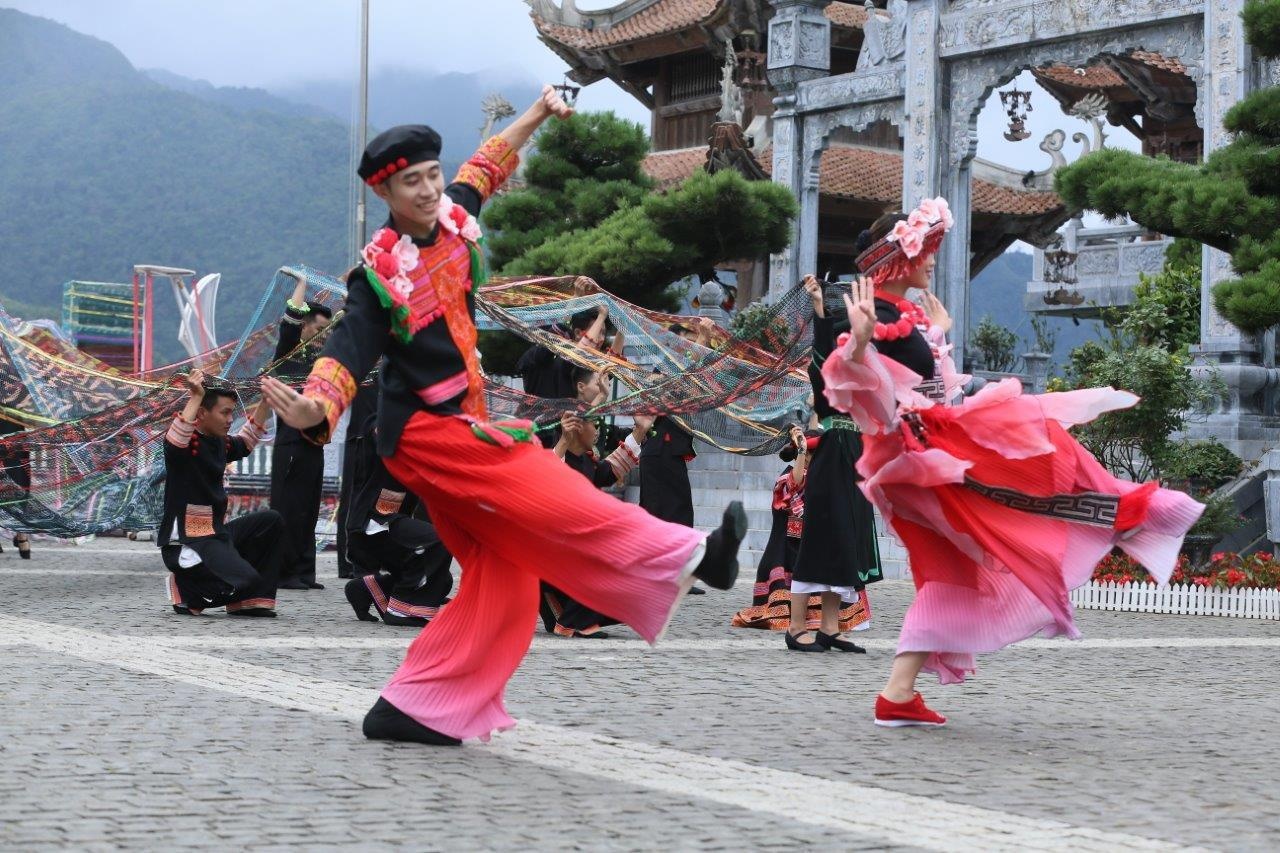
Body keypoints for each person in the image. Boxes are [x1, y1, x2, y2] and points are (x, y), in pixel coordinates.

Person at [262, 85, 747, 746]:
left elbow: (487, 163)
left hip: (466, 415)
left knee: (510, 581)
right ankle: (694, 558)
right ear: (387, 194)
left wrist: (542, 111)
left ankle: (413, 705)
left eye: (432, 175)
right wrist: (316, 405)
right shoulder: (377, 277)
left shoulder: (454, 216)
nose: (430, 190)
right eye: (413, 183)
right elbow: (347, 352)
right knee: (553, 490)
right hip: (427, 433)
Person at [820, 198, 1205, 727]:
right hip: (913, 456)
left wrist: (938, 333)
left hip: (930, 444)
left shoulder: (906, 313)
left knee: (951, 567)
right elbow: (858, 391)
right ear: (901, 259)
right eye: (928, 251)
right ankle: (1129, 512)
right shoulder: (874, 315)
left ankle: (899, 693)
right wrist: (859, 345)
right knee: (1035, 433)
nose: (934, 261)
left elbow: (931, 381)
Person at [783, 275, 882, 654]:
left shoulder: (861, 368)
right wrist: (820, 308)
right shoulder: (826, 370)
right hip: (829, 453)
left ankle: (829, 627)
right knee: (820, 537)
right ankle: (795, 627)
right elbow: (822, 350)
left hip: (854, 453)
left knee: (845, 540)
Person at [161, 370, 286, 617]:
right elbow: (176, 439)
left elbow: (247, 441)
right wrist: (196, 395)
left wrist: (265, 401)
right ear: (202, 413)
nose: (230, 419)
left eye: (232, 412)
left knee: (272, 521)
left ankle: (249, 601)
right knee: (243, 579)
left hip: (213, 534)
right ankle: (185, 588)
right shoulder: (185, 445)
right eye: (225, 413)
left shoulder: (221, 442)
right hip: (188, 540)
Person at [538, 366, 651, 638]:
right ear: (575, 430)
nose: (598, 431)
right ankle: (572, 619)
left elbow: (609, 471)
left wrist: (640, 430)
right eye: (594, 425)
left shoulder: (586, 460)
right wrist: (565, 440)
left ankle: (566, 612)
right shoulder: (558, 460)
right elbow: (549, 476)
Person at [732, 424, 870, 632]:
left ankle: (828, 625)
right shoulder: (788, 477)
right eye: (812, 455)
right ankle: (798, 628)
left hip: (815, 546)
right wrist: (803, 449)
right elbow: (795, 484)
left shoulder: (826, 477)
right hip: (787, 551)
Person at [343, 411, 454, 627]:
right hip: (371, 525)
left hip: (391, 522)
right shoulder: (378, 421)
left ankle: (368, 588)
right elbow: (386, 438)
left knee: (441, 578)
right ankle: (403, 608)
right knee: (439, 541)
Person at [269, 272, 333, 590]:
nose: (322, 337)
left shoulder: (324, 364)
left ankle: (305, 571)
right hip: (290, 442)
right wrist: (302, 286)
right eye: (319, 330)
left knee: (309, 509)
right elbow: (290, 319)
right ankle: (282, 572)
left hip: (315, 444)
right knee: (288, 510)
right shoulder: (288, 354)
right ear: (305, 327)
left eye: (327, 332)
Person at [0, 416, 32, 559]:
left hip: (12, 422)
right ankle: (22, 537)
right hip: (12, 423)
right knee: (18, 477)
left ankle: (21, 534)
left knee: (19, 477)